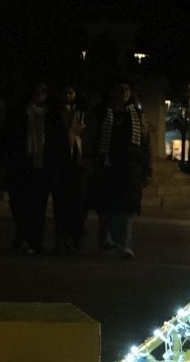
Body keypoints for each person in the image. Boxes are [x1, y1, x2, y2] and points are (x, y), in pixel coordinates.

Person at [92, 79, 150, 259]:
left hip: (129, 169)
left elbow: (146, 143)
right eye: (120, 89)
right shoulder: (103, 112)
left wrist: (147, 169)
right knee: (106, 208)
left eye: (127, 89)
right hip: (107, 166)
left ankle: (124, 244)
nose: (124, 93)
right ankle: (105, 242)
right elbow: (94, 138)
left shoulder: (137, 115)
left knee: (126, 210)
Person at [4, 82, 52, 253]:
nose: (40, 93)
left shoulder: (50, 115)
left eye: (44, 91)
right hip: (23, 163)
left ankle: (34, 240)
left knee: (38, 206)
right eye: (38, 90)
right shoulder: (22, 113)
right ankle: (24, 232)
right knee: (20, 203)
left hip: (42, 165)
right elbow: (11, 138)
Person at [49, 84, 89, 253]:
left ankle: (75, 238)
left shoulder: (81, 113)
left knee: (78, 203)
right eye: (65, 92)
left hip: (77, 161)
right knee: (61, 203)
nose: (68, 96)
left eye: (71, 92)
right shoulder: (55, 114)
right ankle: (62, 239)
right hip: (61, 161)